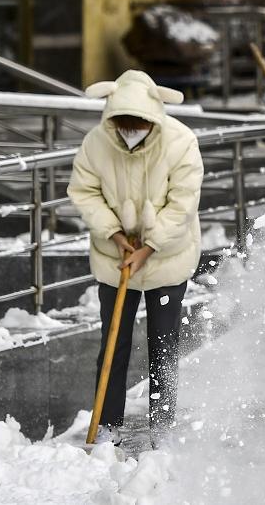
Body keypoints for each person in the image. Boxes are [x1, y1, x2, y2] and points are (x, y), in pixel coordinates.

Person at [68, 70, 204, 447]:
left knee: (163, 341)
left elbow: (182, 204)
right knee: (114, 342)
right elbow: (84, 192)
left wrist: (149, 246)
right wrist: (112, 232)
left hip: (167, 257)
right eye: (123, 126)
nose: (130, 133)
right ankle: (107, 423)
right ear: (111, 121)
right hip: (115, 259)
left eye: (138, 125)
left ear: (153, 120)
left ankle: (163, 423)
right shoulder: (96, 144)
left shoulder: (180, 142)